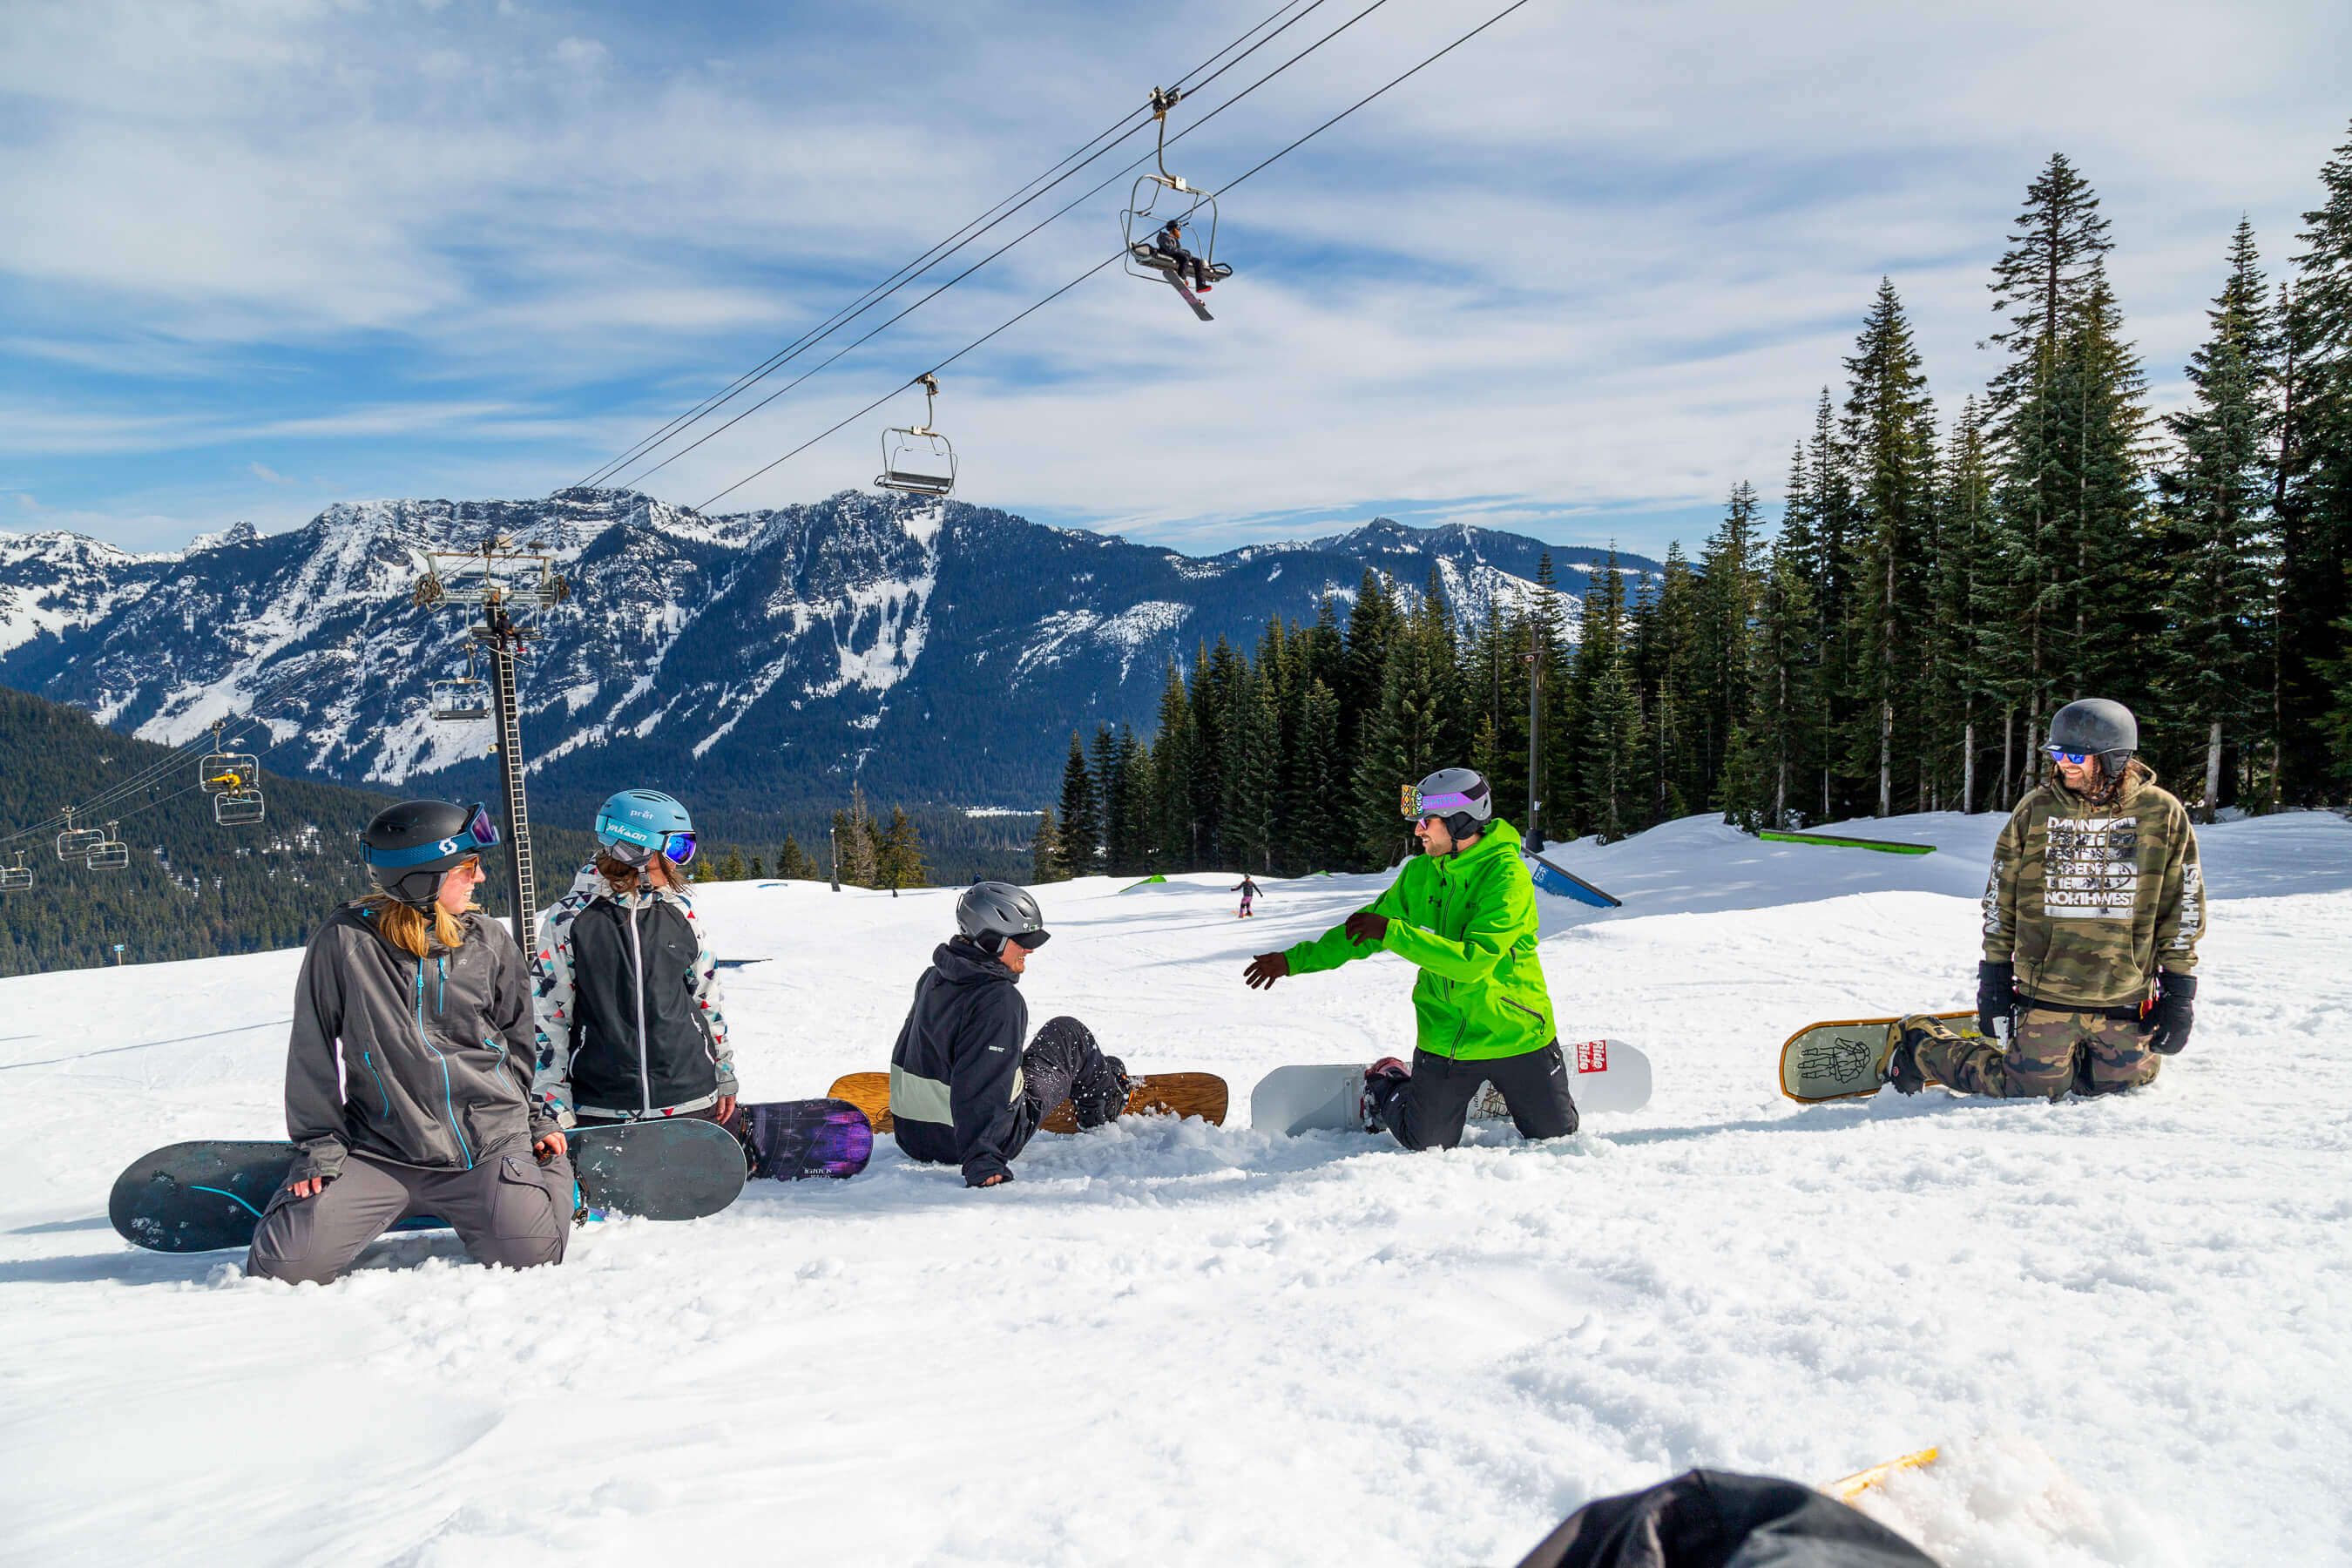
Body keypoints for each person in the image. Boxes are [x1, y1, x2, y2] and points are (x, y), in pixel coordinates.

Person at [247, 801, 571, 1285]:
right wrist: (319, 1147)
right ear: (424, 880)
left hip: (485, 1145)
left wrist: (532, 1119)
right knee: (283, 1267)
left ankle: (555, 1178)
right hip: (382, 1150)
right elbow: (311, 1049)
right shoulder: (345, 943)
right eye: (468, 868)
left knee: (532, 1256)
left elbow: (519, 1044)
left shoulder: (487, 941)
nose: (479, 879)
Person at [1883, 698, 2205, 1100]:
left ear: (2114, 757)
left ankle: (2063, 1054)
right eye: (2057, 752)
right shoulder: (2036, 808)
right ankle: (1920, 1045)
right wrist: (1995, 977)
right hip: (2048, 991)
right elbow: (2000, 899)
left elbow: (2183, 905)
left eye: (2076, 755)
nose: (2063, 763)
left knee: (2122, 1084)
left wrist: (2179, 992)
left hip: (2124, 993)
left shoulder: (2163, 813)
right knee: (2029, 1088)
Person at [1240, 767, 1578, 1150]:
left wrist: (1392, 932)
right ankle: (1390, 1079)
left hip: (1515, 1032)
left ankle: (1528, 1090)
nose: (1418, 831)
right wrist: (1293, 961)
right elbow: (1363, 931)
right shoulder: (1420, 874)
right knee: (1425, 1142)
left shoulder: (1506, 876)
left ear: (1461, 821)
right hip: (1447, 1036)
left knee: (1557, 1137)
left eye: (1426, 821)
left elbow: (1473, 963)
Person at [888, 882, 1131, 1186]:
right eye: (1022, 940)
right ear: (990, 941)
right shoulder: (999, 1000)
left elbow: (911, 1050)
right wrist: (983, 1157)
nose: (1029, 949)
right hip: (971, 1143)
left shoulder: (935, 978)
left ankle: (1098, 1078)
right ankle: (1104, 1103)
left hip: (914, 1136)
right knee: (1068, 1034)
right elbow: (983, 1079)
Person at [531, 789, 737, 1134]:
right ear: (635, 849)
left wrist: (724, 1072)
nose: (677, 862)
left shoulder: (680, 914)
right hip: (602, 1105)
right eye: (674, 849)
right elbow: (547, 1015)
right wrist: (552, 1103)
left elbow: (707, 1000)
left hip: (690, 1097)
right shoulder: (570, 919)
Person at [1153, 216, 1213, 292]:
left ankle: (1200, 285)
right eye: (1178, 228)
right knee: (1185, 258)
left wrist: (1187, 253)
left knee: (1198, 261)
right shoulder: (1163, 237)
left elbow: (1179, 251)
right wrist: (1184, 253)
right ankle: (1181, 278)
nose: (1179, 231)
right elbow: (1170, 249)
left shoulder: (1175, 240)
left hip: (1177, 254)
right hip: (1168, 253)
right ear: (1174, 229)